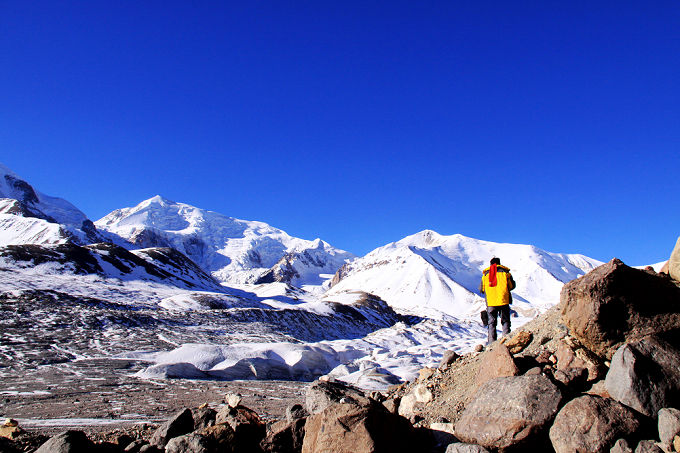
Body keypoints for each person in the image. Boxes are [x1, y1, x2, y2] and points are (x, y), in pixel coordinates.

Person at [479, 257, 516, 345]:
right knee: (505, 321)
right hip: (503, 300)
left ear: (491, 264)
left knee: (491, 323)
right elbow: (511, 286)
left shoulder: (485, 275)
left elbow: (481, 289)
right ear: (499, 263)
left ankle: (492, 344)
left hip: (491, 302)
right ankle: (506, 342)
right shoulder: (506, 273)